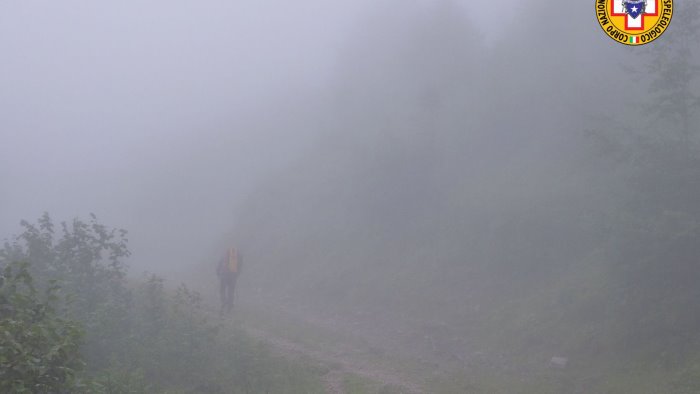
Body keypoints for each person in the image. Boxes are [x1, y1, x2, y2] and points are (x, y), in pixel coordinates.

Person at [217, 247, 241, 314]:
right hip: (233, 276)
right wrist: (237, 274)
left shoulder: (225, 255)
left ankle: (224, 301)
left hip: (224, 275)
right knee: (231, 291)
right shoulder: (238, 256)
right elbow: (240, 266)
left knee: (222, 289)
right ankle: (230, 306)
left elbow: (219, 264)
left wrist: (218, 272)